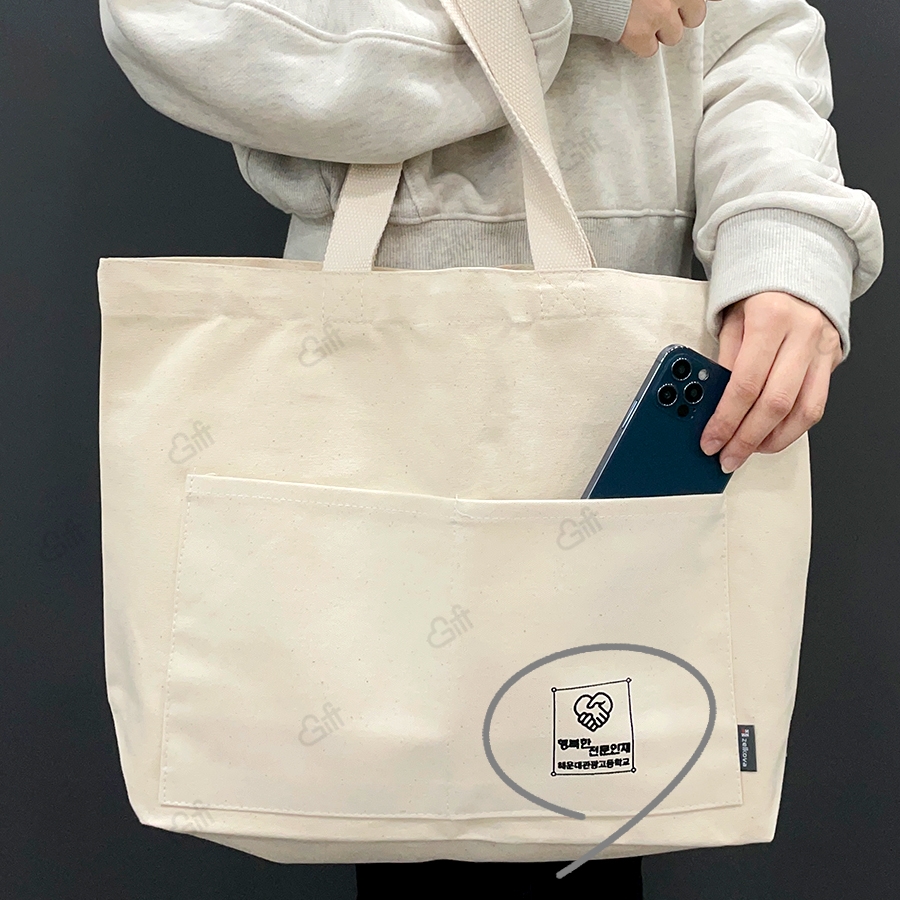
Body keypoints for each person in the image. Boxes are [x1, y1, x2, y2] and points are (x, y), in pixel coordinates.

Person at [98, 0, 884, 896]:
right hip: (376, 394)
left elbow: (755, 32)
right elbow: (178, 24)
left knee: (579, 793)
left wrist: (785, 236)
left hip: (618, 386)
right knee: (415, 790)